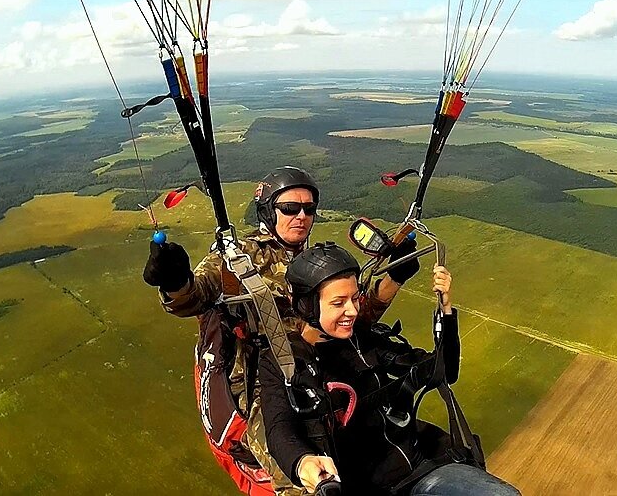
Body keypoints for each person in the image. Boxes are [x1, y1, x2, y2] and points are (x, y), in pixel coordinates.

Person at [143, 167, 421, 495]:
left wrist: (394, 278)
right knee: (298, 473)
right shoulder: (237, 257)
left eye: (309, 209)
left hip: (310, 365)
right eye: (289, 208)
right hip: (259, 377)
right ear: (267, 211)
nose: (301, 216)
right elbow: (194, 298)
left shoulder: (312, 261)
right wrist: (175, 280)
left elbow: (350, 319)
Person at [259, 242, 520, 496]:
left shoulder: (363, 340)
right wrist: (301, 461)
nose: (352, 310)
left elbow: (444, 371)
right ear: (306, 306)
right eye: (338, 303)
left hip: (419, 469)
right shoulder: (286, 362)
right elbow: (279, 427)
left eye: (354, 298)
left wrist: (446, 309)